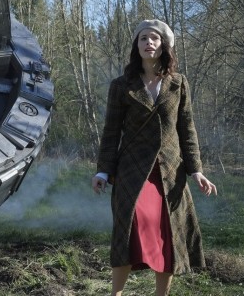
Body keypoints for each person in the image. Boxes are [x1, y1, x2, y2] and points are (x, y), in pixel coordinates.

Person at [91, 19, 218, 296]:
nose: (148, 42)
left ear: (164, 46)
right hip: (131, 171)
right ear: (136, 46)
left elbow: (187, 129)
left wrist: (196, 170)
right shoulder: (121, 86)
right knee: (131, 227)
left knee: (166, 232)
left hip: (170, 172)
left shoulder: (179, 83)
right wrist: (103, 170)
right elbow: (111, 132)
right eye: (143, 38)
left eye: (154, 38)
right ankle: (116, 294)